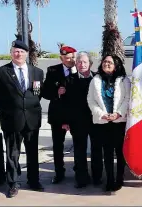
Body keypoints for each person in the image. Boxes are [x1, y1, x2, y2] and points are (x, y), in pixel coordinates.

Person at [0, 40, 45, 198]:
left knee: (32, 152)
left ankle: (34, 181)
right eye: (15, 51)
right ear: (11, 53)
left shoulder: (37, 72)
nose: (18, 54)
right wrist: (8, 111)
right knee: (12, 154)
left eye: (21, 51)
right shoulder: (1, 72)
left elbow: (37, 94)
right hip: (11, 120)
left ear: (27, 54)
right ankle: (13, 183)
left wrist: (28, 108)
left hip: (32, 119)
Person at [87, 55, 130, 193]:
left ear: (116, 65)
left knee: (120, 152)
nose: (107, 64)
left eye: (110, 62)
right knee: (107, 153)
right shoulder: (95, 80)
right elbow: (91, 100)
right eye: (105, 61)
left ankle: (119, 179)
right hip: (103, 122)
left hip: (119, 122)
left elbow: (128, 99)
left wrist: (118, 113)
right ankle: (110, 180)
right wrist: (102, 114)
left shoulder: (124, 80)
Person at [41, 45, 77, 184]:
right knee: (57, 146)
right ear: (61, 58)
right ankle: (59, 173)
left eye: (73, 57)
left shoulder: (79, 69)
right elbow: (44, 92)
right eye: (67, 58)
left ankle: (79, 171)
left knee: (78, 145)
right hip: (58, 115)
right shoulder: (52, 70)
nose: (71, 60)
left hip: (75, 116)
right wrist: (56, 92)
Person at [63, 51, 99, 188]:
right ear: (75, 64)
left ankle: (97, 177)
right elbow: (65, 103)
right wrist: (65, 121)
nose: (81, 64)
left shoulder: (97, 78)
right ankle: (81, 179)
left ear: (90, 63)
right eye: (79, 61)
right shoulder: (69, 79)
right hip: (77, 121)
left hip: (95, 120)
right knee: (79, 151)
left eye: (84, 62)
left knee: (96, 149)